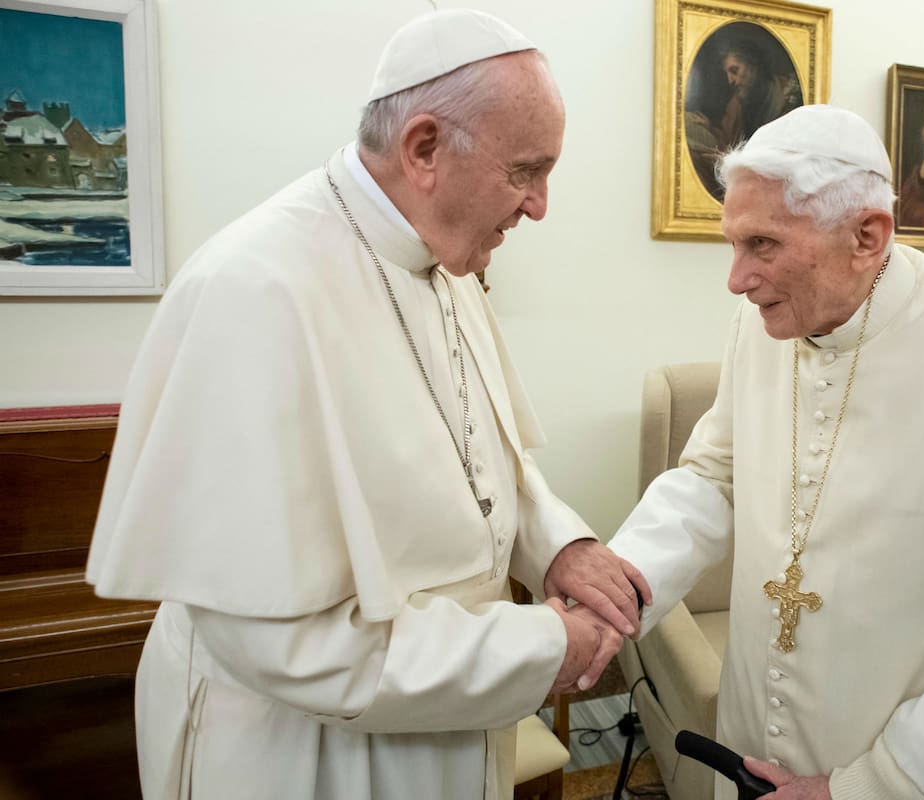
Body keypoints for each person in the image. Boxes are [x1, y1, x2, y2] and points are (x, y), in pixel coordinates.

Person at [85, 9, 649, 800]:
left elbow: (489, 464)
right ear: (424, 148)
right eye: (526, 171)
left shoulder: (445, 262)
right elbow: (285, 645)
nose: (539, 205)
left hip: (449, 720)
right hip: (307, 755)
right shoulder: (254, 290)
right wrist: (540, 647)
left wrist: (560, 546)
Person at [609, 105, 924, 800]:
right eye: (733, 244)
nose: (736, 279)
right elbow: (712, 476)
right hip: (752, 747)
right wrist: (616, 587)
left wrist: (866, 787)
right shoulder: (758, 324)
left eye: (762, 245)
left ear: (866, 236)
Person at [686, 31, 803, 200]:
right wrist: (708, 127)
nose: (730, 80)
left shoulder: (787, 97)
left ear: (753, 65)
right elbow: (728, 143)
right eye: (727, 73)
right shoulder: (738, 101)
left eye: (734, 70)